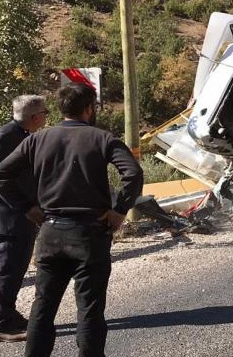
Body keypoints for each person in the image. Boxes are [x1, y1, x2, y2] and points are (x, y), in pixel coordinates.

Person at [0, 84, 143, 357]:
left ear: (59, 109)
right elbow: (133, 174)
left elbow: (2, 174)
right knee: (89, 308)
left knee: (43, 306)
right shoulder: (102, 138)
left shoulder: (35, 140)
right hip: (89, 234)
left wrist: (27, 207)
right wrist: (119, 210)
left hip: (50, 233)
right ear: (89, 108)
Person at [0, 95, 48, 342]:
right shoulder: (8, 136)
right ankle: (3, 322)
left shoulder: (21, 136)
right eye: (45, 112)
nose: (46, 117)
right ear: (34, 117)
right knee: (8, 268)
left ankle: (7, 313)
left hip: (20, 214)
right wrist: (25, 206)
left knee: (15, 267)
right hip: (11, 216)